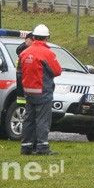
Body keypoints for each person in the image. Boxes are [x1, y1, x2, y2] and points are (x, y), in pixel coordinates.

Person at [18, 24, 61, 156]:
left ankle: (26, 146)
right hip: (42, 91)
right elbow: (57, 71)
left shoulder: (24, 53)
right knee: (43, 120)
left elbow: (20, 71)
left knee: (28, 119)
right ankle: (42, 147)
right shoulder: (47, 53)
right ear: (46, 37)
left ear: (34, 37)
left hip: (28, 91)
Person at [13, 31, 34, 111]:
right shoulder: (25, 51)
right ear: (27, 40)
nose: (34, 42)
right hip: (25, 87)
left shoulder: (23, 50)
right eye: (32, 39)